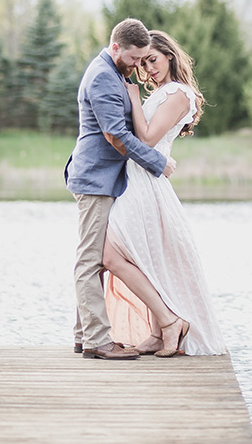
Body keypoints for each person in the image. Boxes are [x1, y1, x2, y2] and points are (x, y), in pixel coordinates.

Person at [102, 30, 227, 357]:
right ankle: (161, 330)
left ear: (169, 55)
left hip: (146, 184)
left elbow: (146, 140)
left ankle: (169, 321)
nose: (149, 69)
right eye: (143, 63)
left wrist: (131, 99)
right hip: (136, 179)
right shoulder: (162, 92)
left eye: (153, 60)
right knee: (142, 256)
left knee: (110, 255)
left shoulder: (178, 93)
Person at [65, 18, 176, 360]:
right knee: (90, 260)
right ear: (116, 47)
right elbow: (116, 136)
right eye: (134, 58)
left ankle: (85, 335)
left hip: (106, 180)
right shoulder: (102, 77)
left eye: (144, 59)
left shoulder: (116, 73)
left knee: (95, 259)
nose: (138, 65)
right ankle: (98, 341)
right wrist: (159, 163)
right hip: (95, 178)